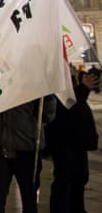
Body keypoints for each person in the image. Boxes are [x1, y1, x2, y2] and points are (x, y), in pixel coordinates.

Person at [0, 96, 56, 213]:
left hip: (26, 149)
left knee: (29, 200)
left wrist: (48, 96)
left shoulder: (35, 81)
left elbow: (47, 115)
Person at [45, 65, 100, 213]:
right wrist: (83, 88)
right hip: (63, 140)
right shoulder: (54, 80)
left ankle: (77, 209)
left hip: (77, 140)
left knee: (80, 177)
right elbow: (67, 104)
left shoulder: (72, 78)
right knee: (65, 178)